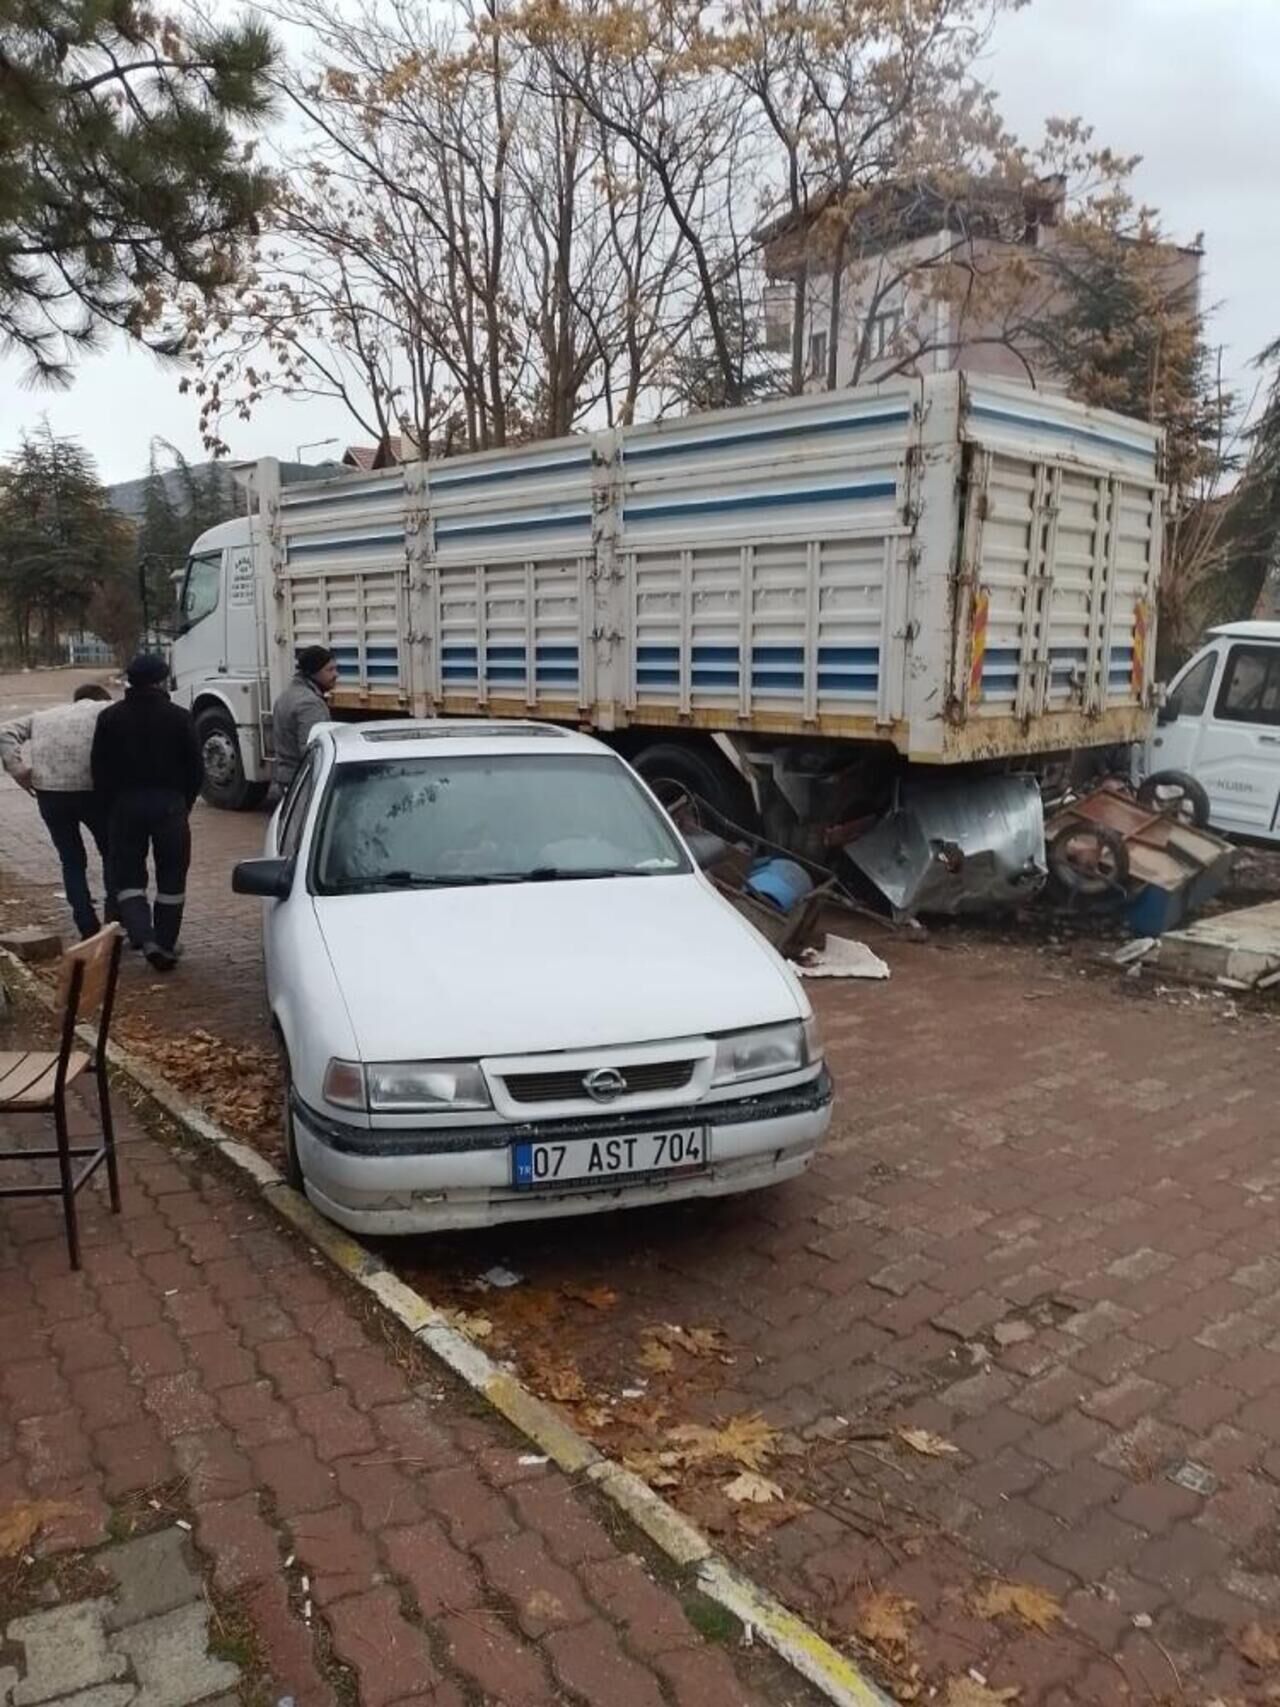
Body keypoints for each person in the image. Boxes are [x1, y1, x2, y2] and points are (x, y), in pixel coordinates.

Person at [91, 654, 203, 973]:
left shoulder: (110, 717)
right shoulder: (179, 717)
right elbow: (195, 767)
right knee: (172, 874)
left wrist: (109, 806)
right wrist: (186, 802)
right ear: (161, 681)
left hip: (125, 805)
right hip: (170, 805)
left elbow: (99, 768)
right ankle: (165, 943)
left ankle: (144, 938)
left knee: (127, 876)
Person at [0, 683, 114, 940]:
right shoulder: (107, 709)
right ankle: (113, 920)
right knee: (111, 852)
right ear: (101, 699)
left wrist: (19, 773)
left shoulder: (43, 716)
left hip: (50, 793)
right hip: (93, 791)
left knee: (71, 860)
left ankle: (86, 924)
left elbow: (4, 731)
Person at [272, 645, 338, 791]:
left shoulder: (285, 696)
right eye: (329, 670)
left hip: (287, 778)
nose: (336, 674)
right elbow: (314, 751)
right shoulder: (310, 704)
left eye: (335, 669)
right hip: (303, 783)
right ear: (313, 672)